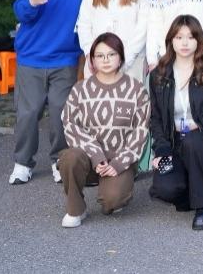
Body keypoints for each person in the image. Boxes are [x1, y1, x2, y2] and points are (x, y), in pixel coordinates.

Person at [10, 0, 99, 185]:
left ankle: (60, 160)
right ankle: (22, 162)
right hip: (33, 56)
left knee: (63, 112)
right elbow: (20, 11)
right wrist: (33, 1)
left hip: (66, 58)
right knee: (28, 113)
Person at [59, 33, 150, 227]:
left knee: (112, 201)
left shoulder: (136, 90)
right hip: (88, 158)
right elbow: (69, 123)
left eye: (111, 54)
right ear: (92, 60)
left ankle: (114, 193)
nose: (106, 60)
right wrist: (96, 155)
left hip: (119, 160)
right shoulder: (80, 89)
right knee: (69, 157)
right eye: (100, 56)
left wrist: (118, 163)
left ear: (121, 57)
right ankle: (76, 208)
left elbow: (141, 131)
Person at [148, 15, 203, 231]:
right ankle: (191, 193)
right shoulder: (158, 75)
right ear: (171, 41)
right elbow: (156, 118)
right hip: (173, 141)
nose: (184, 43)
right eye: (179, 37)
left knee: (194, 141)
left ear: (199, 40)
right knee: (166, 189)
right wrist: (162, 149)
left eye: (190, 37)